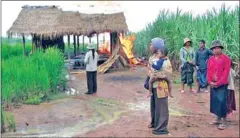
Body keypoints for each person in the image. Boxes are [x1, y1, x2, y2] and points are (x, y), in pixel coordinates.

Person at [147, 38, 173, 135]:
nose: (150, 46)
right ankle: (155, 123)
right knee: (154, 106)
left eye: (152, 44)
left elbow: (169, 72)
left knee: (161, 107)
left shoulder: (165, 59)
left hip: (161, 86)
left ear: (157, 47)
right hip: (154, 85)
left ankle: (161, 128)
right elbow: (149, 69)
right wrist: (151, 75)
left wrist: (158, 76)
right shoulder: (152, 58)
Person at [207, 40, 231, 130]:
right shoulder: (210, 59)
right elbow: (208, 71)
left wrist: (218, 83)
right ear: (212, 50)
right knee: (215, 101)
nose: (216, 50)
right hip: (213, 84)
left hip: (222, 84)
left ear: (221, 49)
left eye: (218, 48)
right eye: (214, 48)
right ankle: (217, 118)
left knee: (222, 101)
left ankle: (224, 120)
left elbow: (226, 73)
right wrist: (209, 81)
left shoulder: (226, 59)